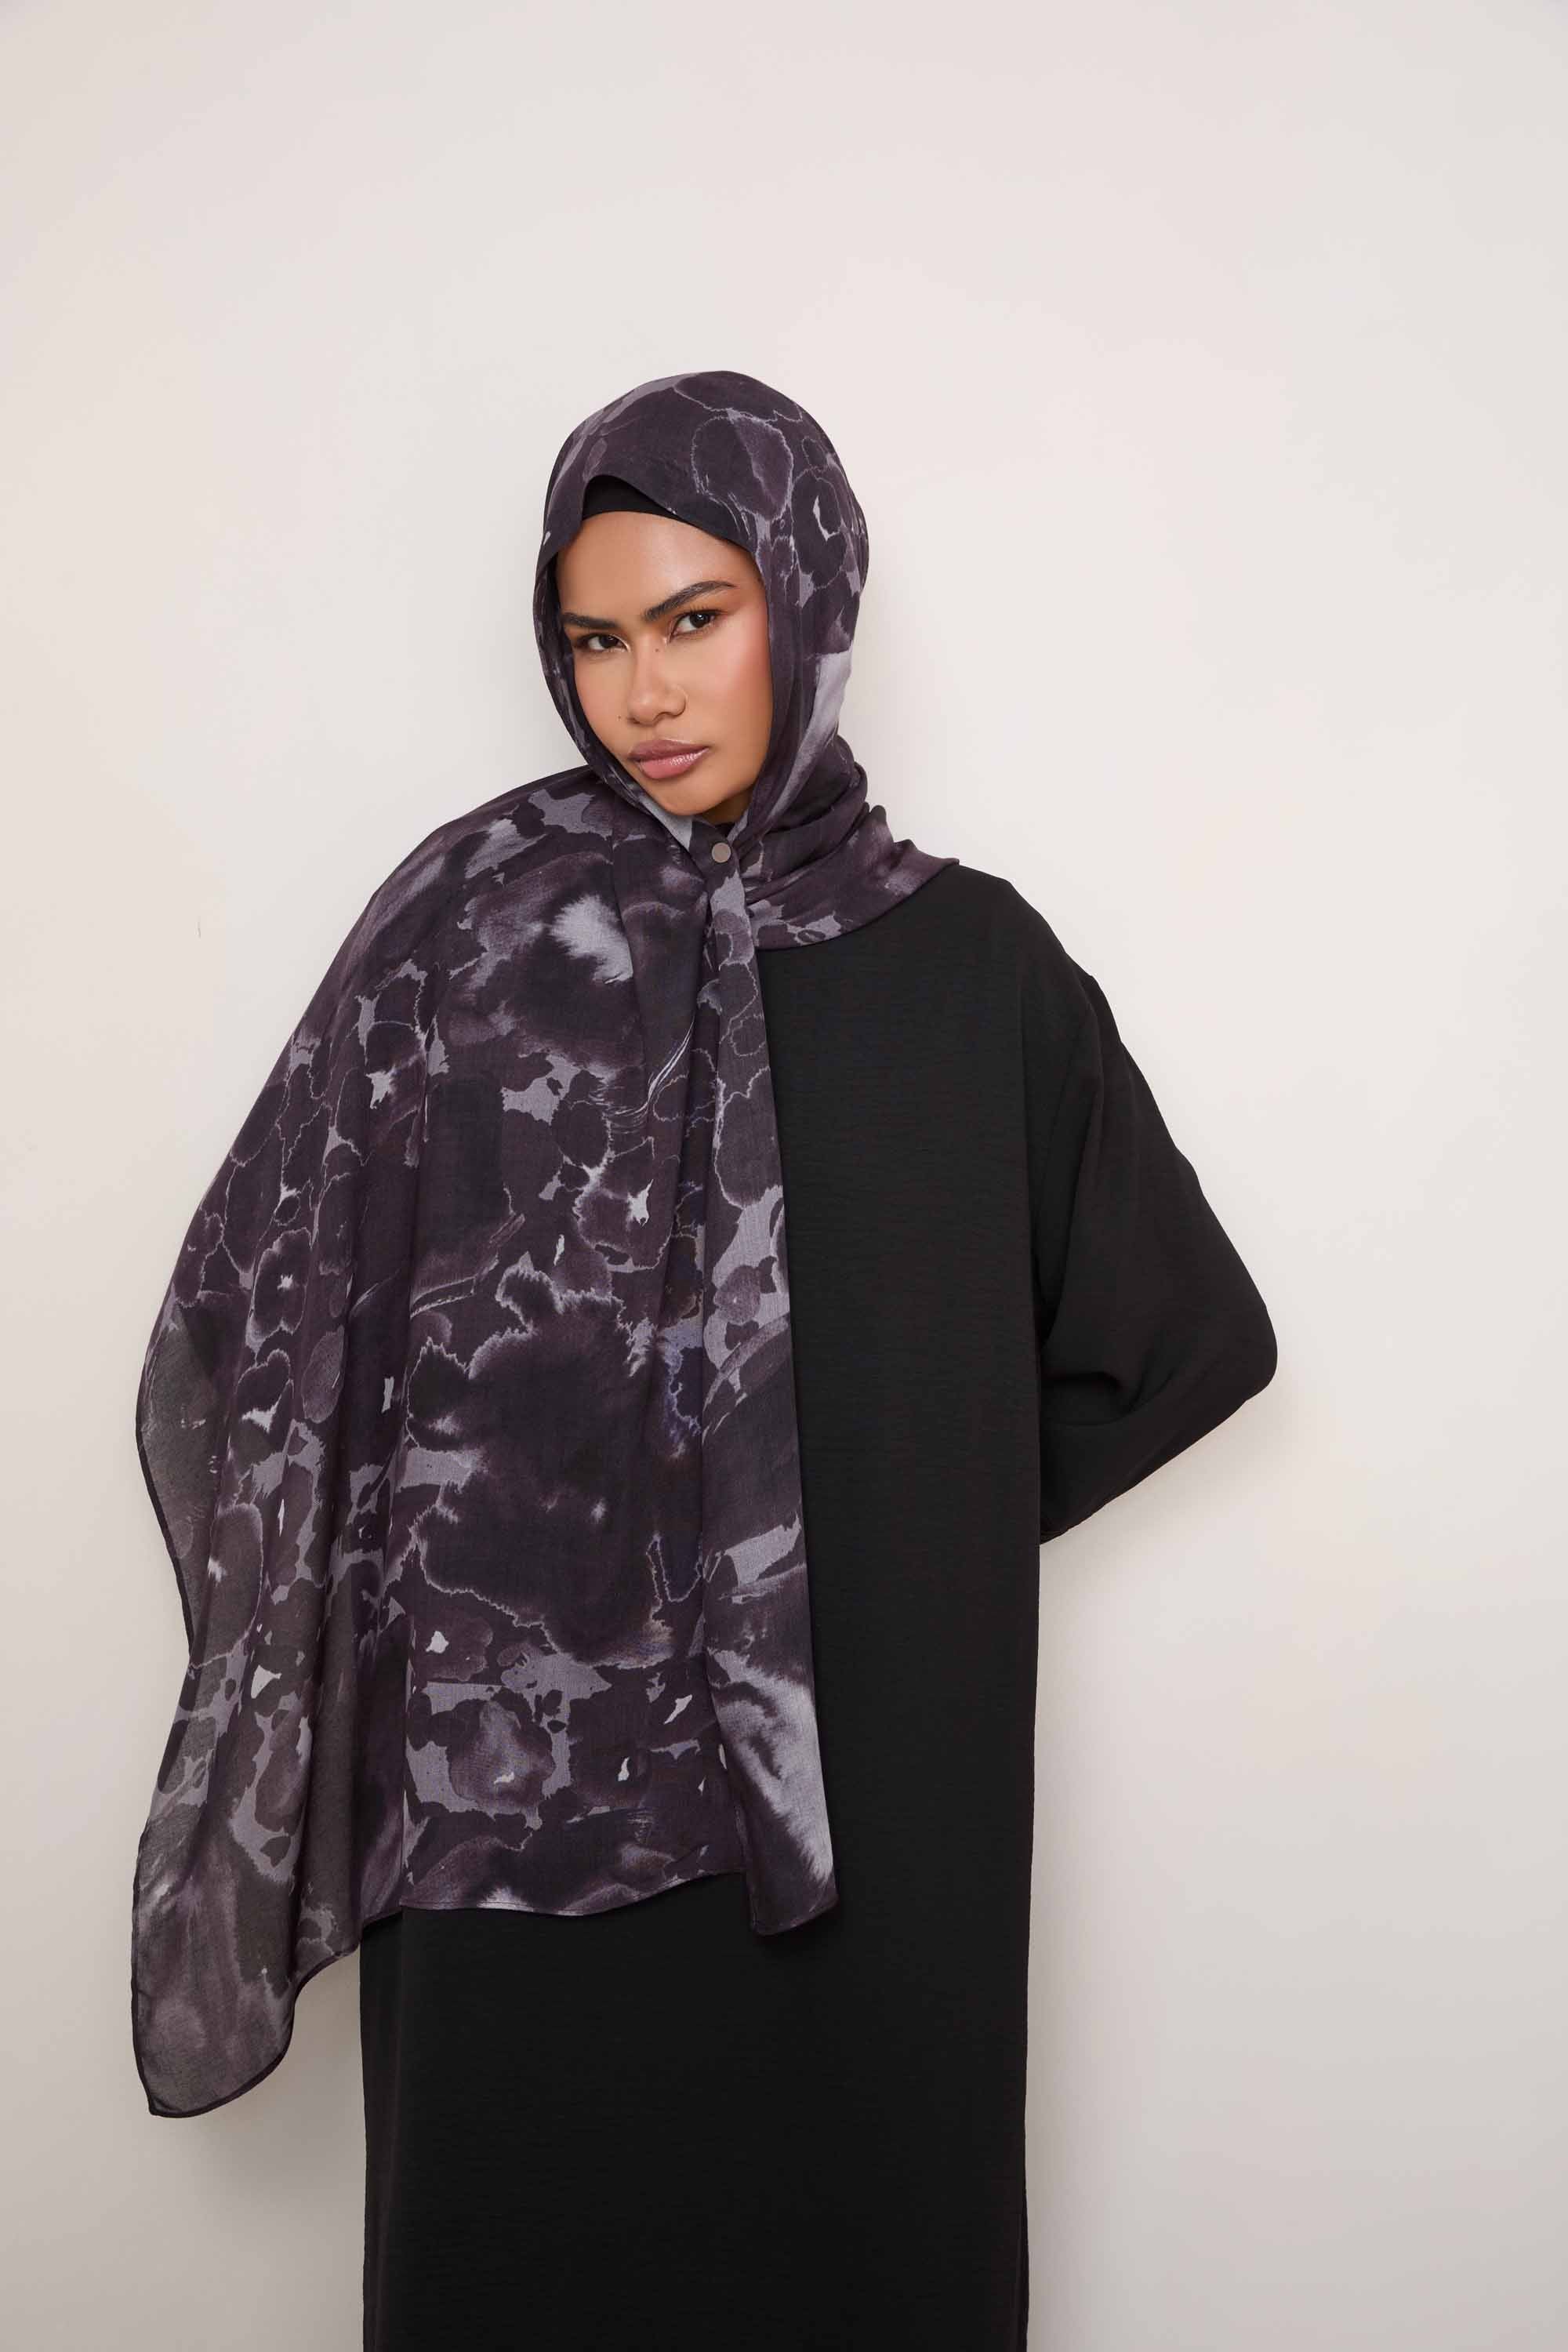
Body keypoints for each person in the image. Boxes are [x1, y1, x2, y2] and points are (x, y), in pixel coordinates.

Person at [132, 372, 1276, 2352]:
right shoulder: (458, 947)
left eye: (692, 618)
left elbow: (1184, 1337)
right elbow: (256, 1309)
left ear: (804, 600)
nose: (642, 693)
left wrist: (880, 1526)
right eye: (595, 639)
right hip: (507, 1801)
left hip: (869, 1789)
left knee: (860, 2254)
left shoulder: (973, 968)